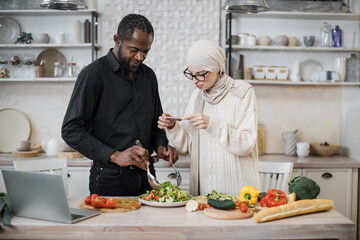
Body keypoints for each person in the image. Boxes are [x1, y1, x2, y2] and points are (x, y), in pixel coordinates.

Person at [62, 14, 178, 197]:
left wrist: (162, 145)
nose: (140, 57)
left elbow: (156, 122)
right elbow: (70, 130)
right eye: (134, 50)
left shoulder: (149, 77)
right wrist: (115, 155)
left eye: (146, 51)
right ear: (117, 40)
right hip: (109, 178)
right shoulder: (93, 75)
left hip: (148, 176)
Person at [158, 40, 260, 196]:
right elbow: (186, 147)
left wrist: (212, 125)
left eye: (200, 75)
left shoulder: (242, 92)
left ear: (217, 68)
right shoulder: (197, 97)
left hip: (240, 191)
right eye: (191, 74)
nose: (194, 81)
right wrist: (173, 126)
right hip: (206, 191)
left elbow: (246, 144)